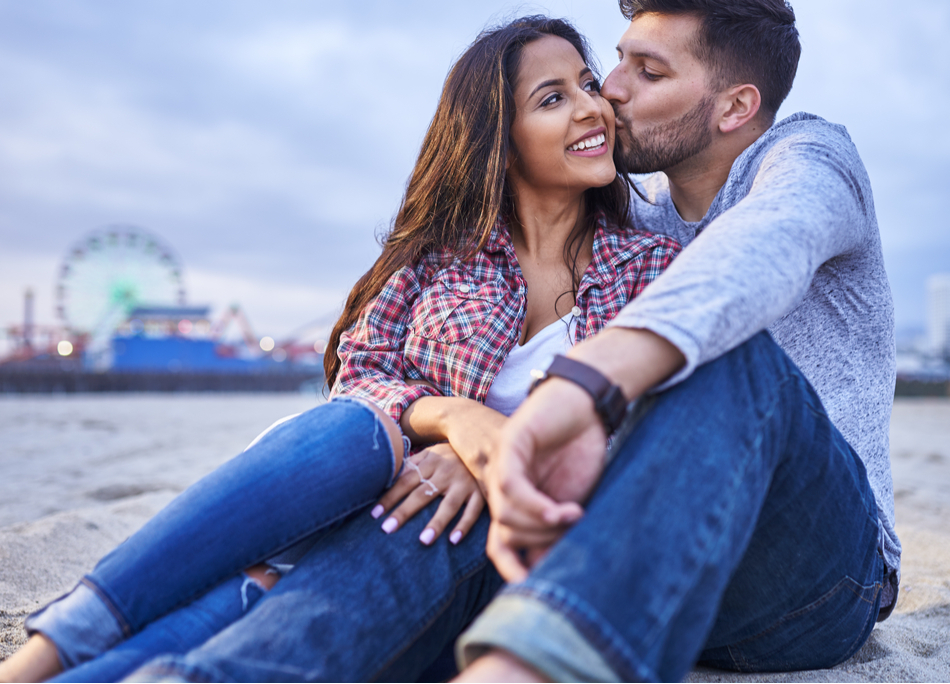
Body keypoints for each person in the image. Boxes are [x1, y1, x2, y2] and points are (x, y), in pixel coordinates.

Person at [119, 2, 898, 681]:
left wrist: (576, 389)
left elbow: (763, 249)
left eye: (648, 73)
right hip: (637, 558)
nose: (612, 90)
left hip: (812, 574)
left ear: (734, 107)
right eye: (616, 63)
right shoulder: (630, 229)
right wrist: (471, 441)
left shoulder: (806, 161)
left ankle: (535, 668)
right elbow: (381, 369)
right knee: (443, 506)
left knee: (727, 356)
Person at [0, 15, 681, 684]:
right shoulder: (439, 259)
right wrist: (455, 420)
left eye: (587, 83)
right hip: (359, 489)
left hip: (474, 542)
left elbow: (651, 434)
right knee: (352, 433)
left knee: (317, 568)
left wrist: (498, 458)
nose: (592, 107)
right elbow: (361, 375)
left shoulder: (651, 269)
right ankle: (49, 652)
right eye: (553, 98)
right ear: (500, 144)